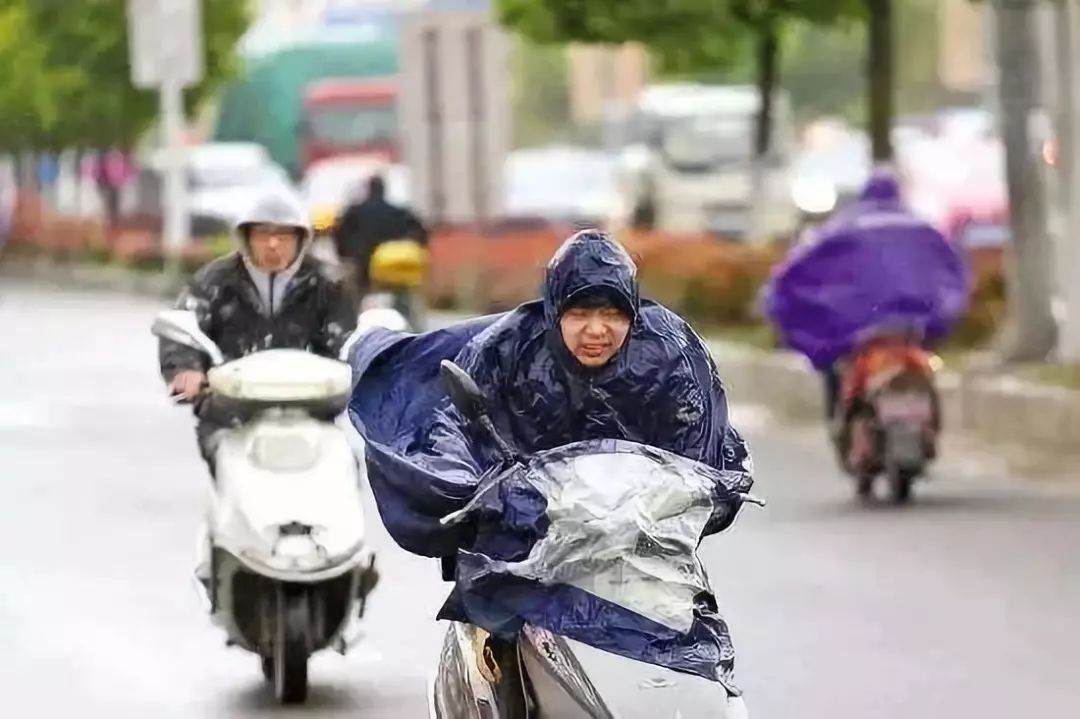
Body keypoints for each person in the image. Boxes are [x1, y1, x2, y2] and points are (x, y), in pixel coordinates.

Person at [347, 229, 753, 711]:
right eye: (580, 313)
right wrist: (476, 489)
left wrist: (698, 494)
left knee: (700, 647)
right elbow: (453, 431)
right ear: (555, 308)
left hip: (640, 543)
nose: (597, 329)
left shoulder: (671, 355)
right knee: (494, 642)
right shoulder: (507, 350)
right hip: (531, 542)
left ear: (633, 310)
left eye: (612, 313)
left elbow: (700, 453)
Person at [158, 189, 357, 471]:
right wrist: (185, 369)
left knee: (345, 464)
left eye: (284, 235)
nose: (273, 244)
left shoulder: (328, 283)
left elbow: (349, 340)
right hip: (231, 411)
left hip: (311, 409)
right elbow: (185, 325)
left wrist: (367, 370)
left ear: (301, 238)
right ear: (246, 237)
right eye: (263, 234)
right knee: (232, 470)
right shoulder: (214, 280)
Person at [332, 174, 428, 300]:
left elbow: (339, 232)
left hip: (363, 263)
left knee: (356, 295)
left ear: (368, 189)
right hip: (392, 265)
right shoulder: (397, 212)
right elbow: (419, 230)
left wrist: (343, 254)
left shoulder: (355, 212)